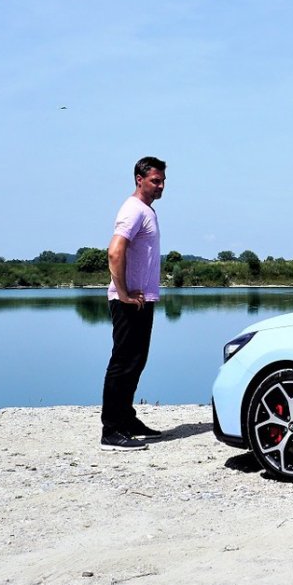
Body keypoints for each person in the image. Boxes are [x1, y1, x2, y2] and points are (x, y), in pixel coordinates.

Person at [101, 156, 166, 451]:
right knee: (123, 363)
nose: (160, 186)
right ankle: (111, 430)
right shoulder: (133, 209)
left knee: (136, 362)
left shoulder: (146, 210)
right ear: (139, 179)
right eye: (155, 180)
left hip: (141, 300)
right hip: (128, 301)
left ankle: (126, 420)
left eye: (162, 181)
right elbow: (115, 252)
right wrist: (124, 292)